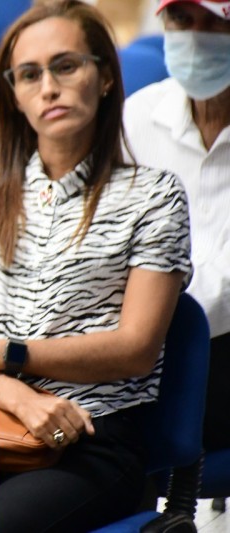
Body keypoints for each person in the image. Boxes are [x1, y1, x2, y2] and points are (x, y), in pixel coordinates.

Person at [0, 1, 192, 531]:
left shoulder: (154, 196)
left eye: (66, 66)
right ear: (14, 95)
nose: (48, 87)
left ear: (105, 76)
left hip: (89, 441)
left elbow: (135, 349)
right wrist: (15, 392)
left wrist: (8, 354)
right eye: (29, 75)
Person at [123, 0, 230, 455]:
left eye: (217, 23)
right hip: (140, 344)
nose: (196, 37)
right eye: (182, 19)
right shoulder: (137, 117)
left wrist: (145, 319)